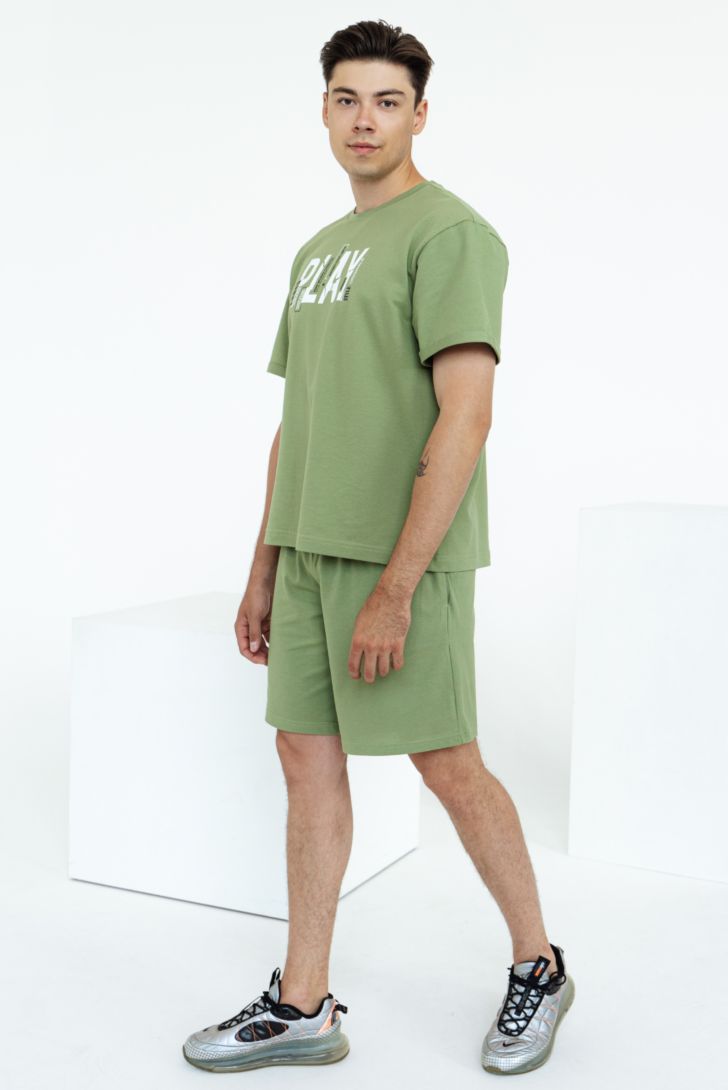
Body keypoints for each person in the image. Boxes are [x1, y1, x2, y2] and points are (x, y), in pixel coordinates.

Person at [183, 18, 574, 1078]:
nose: (365, 120)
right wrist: (263, 564)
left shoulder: (450, 235)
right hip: (308, 554)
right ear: (323, 110)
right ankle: (302, 1004)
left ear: (419, 115)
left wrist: (398, 586)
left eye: (387, 102)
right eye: (347, 99)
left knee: (445, 761)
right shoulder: (317, 252)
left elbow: (467, 415)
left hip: (399, 558)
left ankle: (537, 964)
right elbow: (297, 421)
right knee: (303, 758)